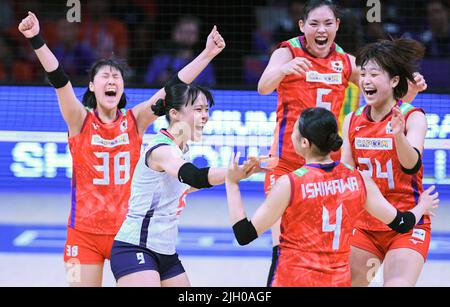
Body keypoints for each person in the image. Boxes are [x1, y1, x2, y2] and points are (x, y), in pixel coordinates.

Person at [18, 11, 226, 286]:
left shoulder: (136, 120)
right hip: (83, 235)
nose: (112, 80)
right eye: (104, 76)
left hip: (128, 234)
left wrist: (207, 53)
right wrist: (36, 38)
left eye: (117, 76)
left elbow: (173, 87)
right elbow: (59, 80)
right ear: (92, 85)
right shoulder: (79, 120)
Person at [256, 0, 427, 286]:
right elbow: (263, 87)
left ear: (337, 26)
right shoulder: (287, 51)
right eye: (314, 24)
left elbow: (385, 99)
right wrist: (284, 70)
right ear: (302, 26)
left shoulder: (346, 62)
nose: (320, 30)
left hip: (326, 167)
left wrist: (410, 88)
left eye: (327, 24)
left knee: (324, 245)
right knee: (283, 246)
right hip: (287, 165)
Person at [225, 107, 439, 287]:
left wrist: (232, 183)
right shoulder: (358, 180)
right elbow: (403, 223)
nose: (291, 133)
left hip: (294, 278)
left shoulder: (289, 184)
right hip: (335, 281)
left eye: (295, 131)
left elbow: (244, 235)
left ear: (305, 143)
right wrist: (422, 206)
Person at [109, 82, 257, 287]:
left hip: (166, 253)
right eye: (198, 109)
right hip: (136, 248)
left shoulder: (181, 149)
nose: (205, 115)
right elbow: (195, 177)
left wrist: (242, 172)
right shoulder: (162, 149)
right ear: (174, 113)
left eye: (207, 110)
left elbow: (188, 185)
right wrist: (234, 173)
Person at [340, 38, 431, 286]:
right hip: (365, 225)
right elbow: (347, 174)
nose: (366, 80)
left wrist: (398, 137)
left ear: (393, 81)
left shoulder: (414, 117)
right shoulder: (352, 120)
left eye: (374, 74)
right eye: (364, 74)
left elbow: (411, 165)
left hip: (407, 223)